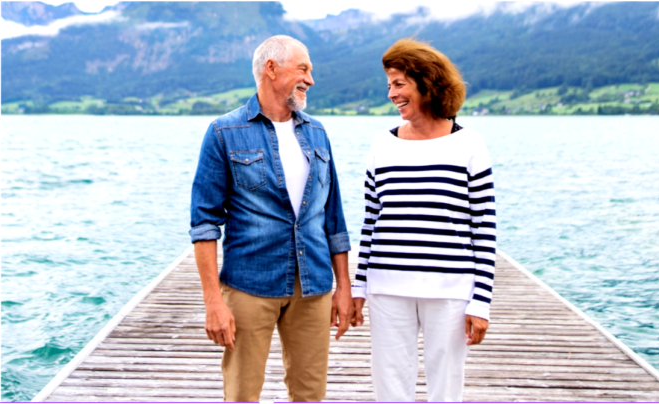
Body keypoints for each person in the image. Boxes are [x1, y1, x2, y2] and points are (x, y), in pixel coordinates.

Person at [189, 35, 353, 402]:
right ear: (271, 68)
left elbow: (334, 219)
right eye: (304, 69)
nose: (311, 79)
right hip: (250, 285)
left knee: (310, 394)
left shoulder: (317, 133)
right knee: (242, 394)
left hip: (313, 286)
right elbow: (204, 225)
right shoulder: (224, 133)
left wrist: (344, 287)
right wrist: (213, 302)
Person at [351, 38, 497, 402]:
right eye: (389, 85)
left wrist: (481, 302)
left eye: (399, 84)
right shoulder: (380, 144)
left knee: (446, 390)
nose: (391, 94)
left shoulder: (470, 145)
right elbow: (370, 222)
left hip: (449, 291)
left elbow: (485, 228)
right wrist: (358, 288)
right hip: (387, 287)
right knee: (390, 389)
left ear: (427, 82)